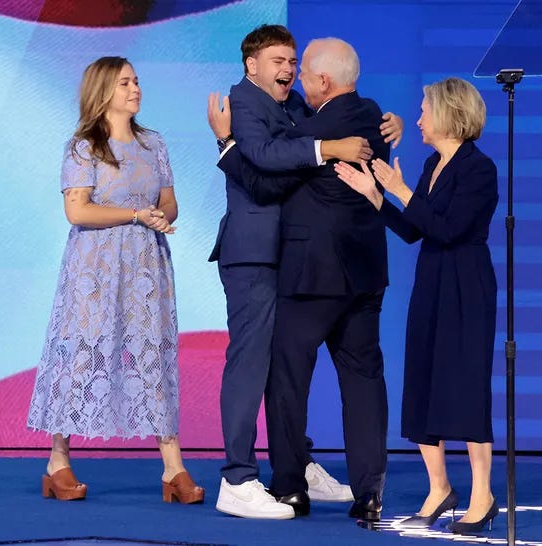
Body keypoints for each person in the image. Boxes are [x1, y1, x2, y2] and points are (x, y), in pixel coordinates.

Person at [208, 25, 399, 520]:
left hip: (299, 265)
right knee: (254, 366)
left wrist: (383, 126)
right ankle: (239, 477)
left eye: (294, 62)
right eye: (278, 60)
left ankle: (295, 471)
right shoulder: (242, 104)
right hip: (256, 256)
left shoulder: (298, 108)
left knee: (286, 372)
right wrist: (229, 143)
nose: (289, 70)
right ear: (251, 64)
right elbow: (268, 168)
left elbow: (312, 135)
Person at [26, 56, 204, 505]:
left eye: (137, 81)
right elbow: (77, 210)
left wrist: (160, 217)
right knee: (83, 353)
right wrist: (134, 215)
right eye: (125, 82)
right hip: (94, 268)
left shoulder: (154, 143)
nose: (136, 89)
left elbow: (170, 201)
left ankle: (173, 468)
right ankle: (57, 460)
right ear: (103, 90)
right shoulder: (83, 146)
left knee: (151, 354)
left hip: (146, 265)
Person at [334, 77, 499, 533]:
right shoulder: (432, 165)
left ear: (449, 114)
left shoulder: (478, 169)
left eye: (425, 109)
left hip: (466, 285)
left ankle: (482, 495)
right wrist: (375, 196)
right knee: (424, 379)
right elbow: (414, 229)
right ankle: (439, 487)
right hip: (431, 281)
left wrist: (400, 191)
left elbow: (449, 229)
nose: (419, 118)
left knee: (465, 384)